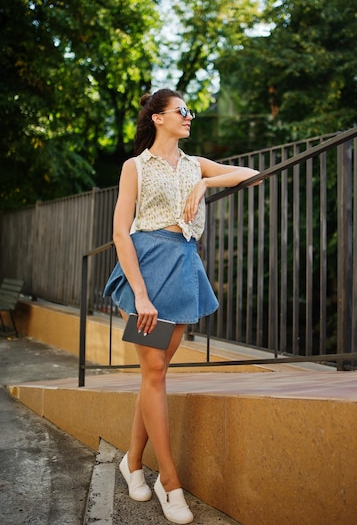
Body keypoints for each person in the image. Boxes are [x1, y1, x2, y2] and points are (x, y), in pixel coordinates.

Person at [104, 88, 260, 524]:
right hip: (146, 269)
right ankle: (169, 482)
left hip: (184, 266)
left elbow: (254, 174)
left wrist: (207, 181)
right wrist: (139, 293)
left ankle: (132, 461)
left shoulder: (196, 165)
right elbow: (120, 233)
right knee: (153, 373)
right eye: (182, 111)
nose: (189, 117)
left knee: (155, 375)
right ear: (157, 118)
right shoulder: (134, 166)